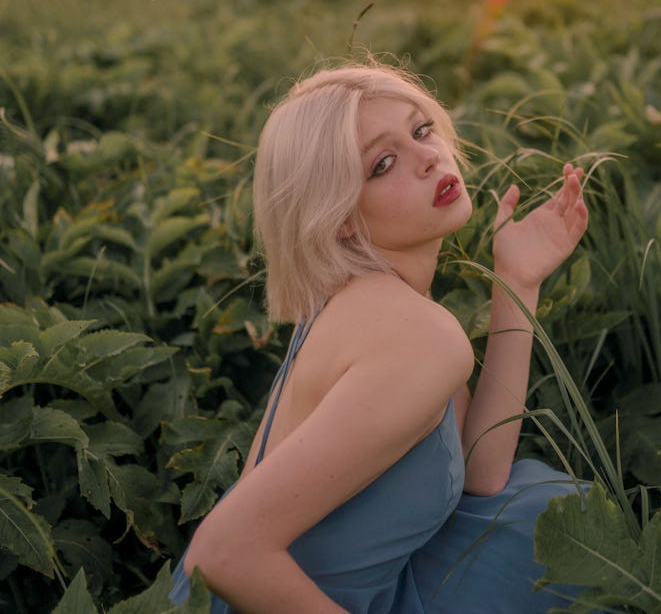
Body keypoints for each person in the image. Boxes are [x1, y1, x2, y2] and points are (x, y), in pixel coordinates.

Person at [169, 62, 590, 613]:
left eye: (421, 130)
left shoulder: (370, 301)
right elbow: (222, 554)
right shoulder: (411, 334)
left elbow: (481, 471)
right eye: (383, 164)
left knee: (526, 518)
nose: (428, 158)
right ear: (340, 215)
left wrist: (516, 282)